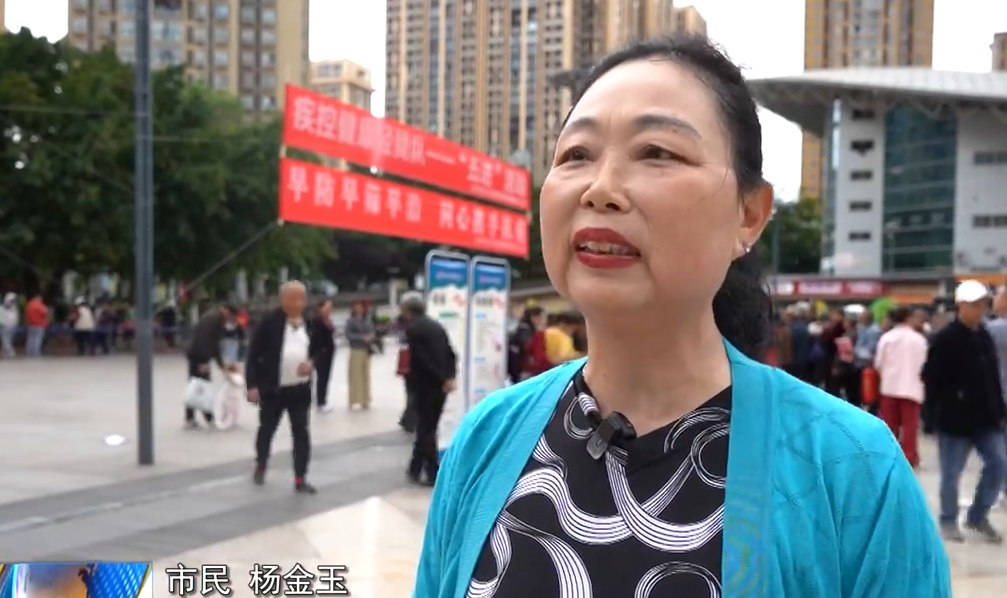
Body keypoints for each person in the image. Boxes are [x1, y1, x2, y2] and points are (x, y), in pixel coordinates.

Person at [413, 35, 949, 597]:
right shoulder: (487, 437)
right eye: (575, 155)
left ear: (749, 214)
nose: (600, 189)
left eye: (657, 152)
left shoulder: (850, 468)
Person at [922, 280, 1006, 544]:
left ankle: (978, 515)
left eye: (982, 305)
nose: (979, 310)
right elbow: (930, 378)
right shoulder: (946, 338)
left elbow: (992, 376)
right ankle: (948, 520)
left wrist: (999, 410)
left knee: (998, 463)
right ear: (960, 306)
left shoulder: (984, 336)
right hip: (954, 420)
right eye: (973, 305)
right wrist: (934, 414)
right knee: (952, 473)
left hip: (985, 417)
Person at [246, 281, 319, 494]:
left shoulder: (310, 322)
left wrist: (312, 363)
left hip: (300, 388)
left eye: (302, 298)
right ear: (283, 299)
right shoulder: (269, 322)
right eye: (294, 298)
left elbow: (319, 349)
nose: (299, 302)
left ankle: (300, 477)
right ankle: (261, 463)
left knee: (301, 432)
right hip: (273, 388)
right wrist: (252, 385)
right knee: (267, 429)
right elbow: (253, 355)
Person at [399, 291, 457, 486]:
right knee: (427, 426)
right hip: (441, 386)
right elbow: (451, 354)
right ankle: (415, 468)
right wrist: (449, 377)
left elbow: (422, 360)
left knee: (427, 429)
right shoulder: (436, 326)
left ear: (407, 310)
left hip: (425, 385)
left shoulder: (413, 329)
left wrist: (440, 378)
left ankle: (433, 473)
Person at [874, 307, 929, 468]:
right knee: (910, 426)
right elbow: (925, 364)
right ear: (909, 318)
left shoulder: (887, 338)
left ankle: (888, 455)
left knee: (890, 425)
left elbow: (878, 363)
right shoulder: (919, 339)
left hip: (889, 387)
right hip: (912, 387)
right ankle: (909, 457)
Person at [185, 302, 238, 428]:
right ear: (226, 311)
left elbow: (214, 344)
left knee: (195, 385)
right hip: (199, 356)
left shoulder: (213, 316)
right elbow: (205, 340)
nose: (229, 320)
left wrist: (221, 365)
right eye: (230, 317)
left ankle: (191, 417)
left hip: (195, 354)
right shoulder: (215, 319)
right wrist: (204, 361)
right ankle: (208, 417)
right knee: (203, 386)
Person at [345, 301, 375, 409]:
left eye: (361, 307)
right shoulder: (350, 321)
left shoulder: (367, 320)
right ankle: (353, 399)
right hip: (356, 349)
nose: (359, 309)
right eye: (356, 307)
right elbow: (348, 335)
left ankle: (365, 399)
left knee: (365, 375)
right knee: (355, 375)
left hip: (366, 350)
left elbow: (372, 332)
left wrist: (370, 337)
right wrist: (361, 337)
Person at [309, 299, 336, 413]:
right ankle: (320, 402)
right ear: (320, 308)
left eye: (331, 307)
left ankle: (323, 399)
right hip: (321, 353)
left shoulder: (328, 320)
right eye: (327, 307)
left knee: (325, 377)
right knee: (321, 377)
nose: (329, 309)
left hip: (328, 352)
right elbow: (316, 338)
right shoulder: (317, 321)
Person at [506, 305, 544, 383]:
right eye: (540, 317)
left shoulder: (523, 327)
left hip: (518, 365)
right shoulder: (525, 329)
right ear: (533, 317)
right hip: (521, 366)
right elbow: (526, 347)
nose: (541, 320)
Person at [0, 293, 18, 358]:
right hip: (6, 326)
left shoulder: (12, 307)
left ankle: (9, 353)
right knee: (6, 341)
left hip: (9, 326)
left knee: (7, 341)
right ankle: (8, 353)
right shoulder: (5, 307)